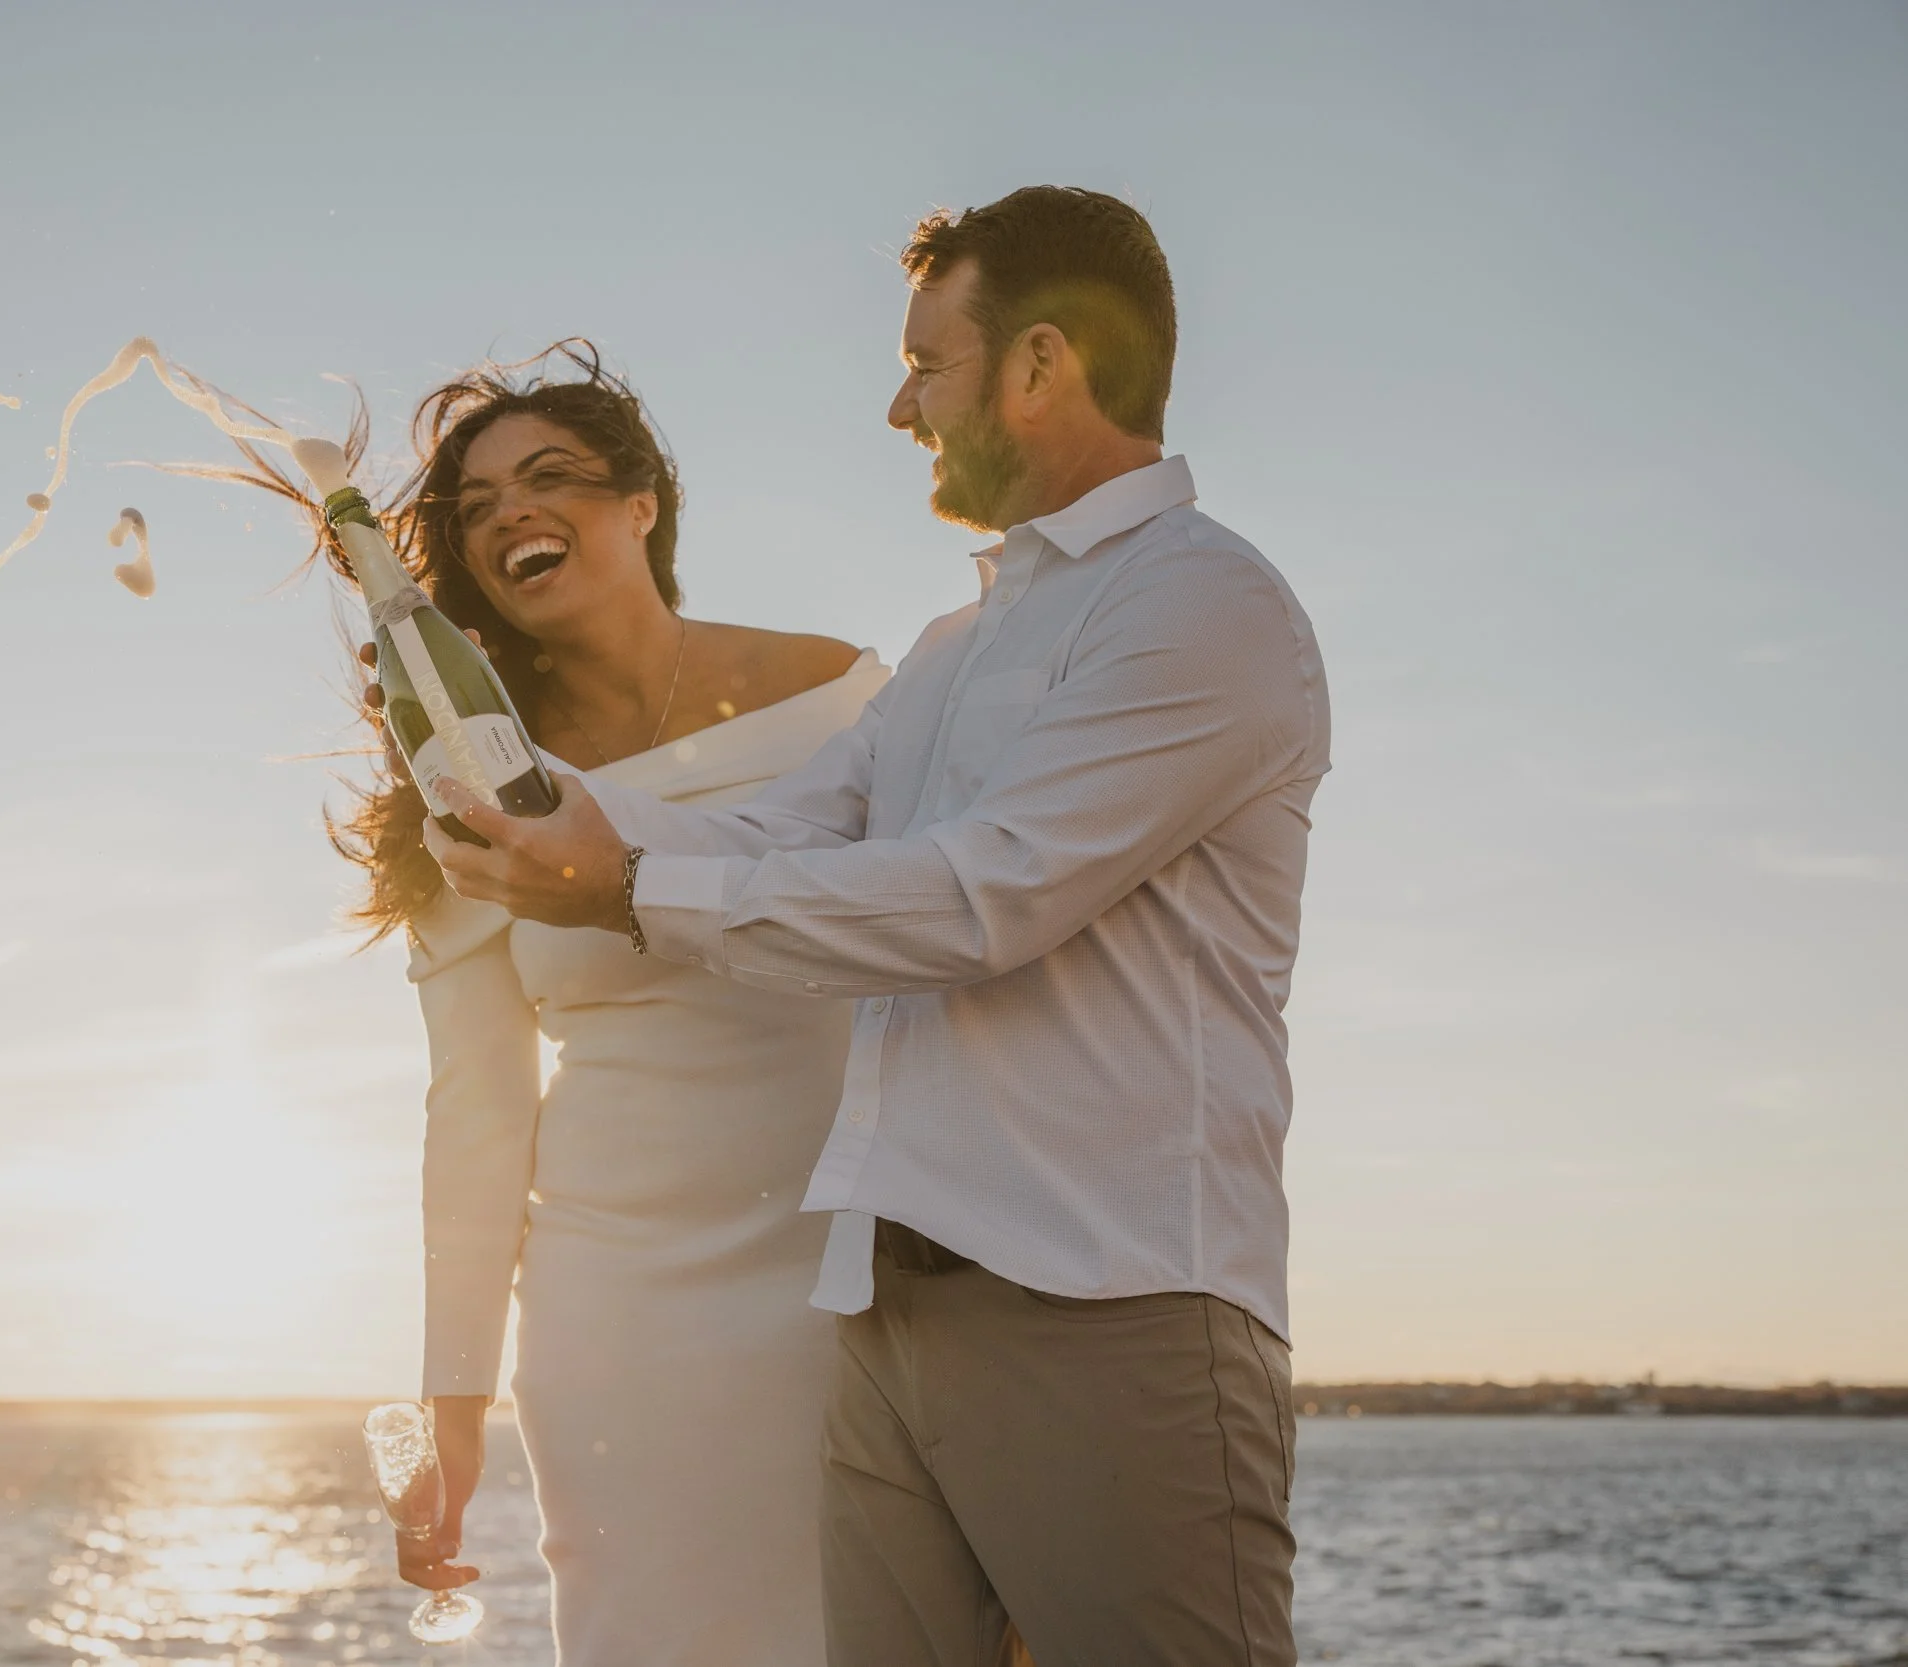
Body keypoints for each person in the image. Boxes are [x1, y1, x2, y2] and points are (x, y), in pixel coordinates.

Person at [422, 188, 1329, 1666]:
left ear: (1041, 365)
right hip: (885, 1309)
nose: (901, 403)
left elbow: (987, 894)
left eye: (929, 362)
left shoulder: (1205, 603)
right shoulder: (958, 646)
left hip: (1110, 1300)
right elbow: (794, 825)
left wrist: (626, 887)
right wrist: (574, 833)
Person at [335, 343, 887, 1663]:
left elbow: (961, 933)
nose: (508, 512)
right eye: (473, 509)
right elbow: (476, 1107)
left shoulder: (845, 698)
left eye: (549, 479)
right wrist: (452, 1402)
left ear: (642, 503)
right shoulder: (463, 779)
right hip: (620, 1317)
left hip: (870, 1282)